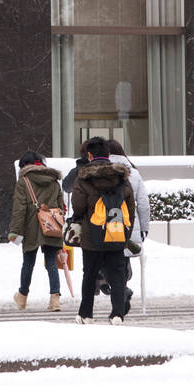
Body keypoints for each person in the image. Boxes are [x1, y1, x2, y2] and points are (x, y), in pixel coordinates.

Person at [66, 137, 137, 324]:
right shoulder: (122, 177)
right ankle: (117, 314)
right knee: (117, 275)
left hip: (92, 236)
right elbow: (130, 207)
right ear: (108, 155)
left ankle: (86, 314)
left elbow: (79, 207)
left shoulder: (83, 178)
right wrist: (125, 234)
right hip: (116, 233)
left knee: (89, 274)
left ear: (89, 155)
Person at [8, 151, 66, 312]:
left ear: (25, 165)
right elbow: (60, 207)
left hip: (31, 226)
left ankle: (22, 298)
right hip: (51, 224)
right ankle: (55, 300)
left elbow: (19, 209)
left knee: (28, 263)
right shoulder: (54, 181)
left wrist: (15, 231)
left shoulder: (24, 181)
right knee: (52, 263)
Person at [106, 139, 149, 318]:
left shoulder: (103, 171)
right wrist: (144, 228)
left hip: (108, 224)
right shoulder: (135, 173)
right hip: (130, 226)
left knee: (108, 263)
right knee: (122, 262)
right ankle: (122, 292)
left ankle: (121, 293)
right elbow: (144, 205)